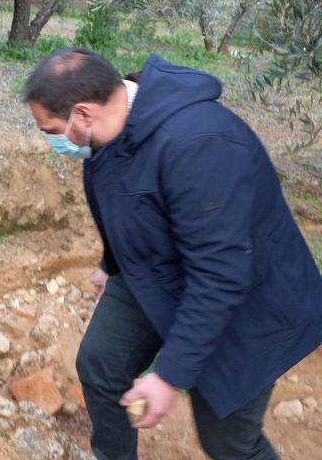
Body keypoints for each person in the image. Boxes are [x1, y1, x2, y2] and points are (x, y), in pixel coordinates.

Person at [22, 48, 322, 459]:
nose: (51, 139)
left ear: (84, 113)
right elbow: (123, 202)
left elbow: (221, 273)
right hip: (160, 272)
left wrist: (168, 377)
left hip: (247, 301)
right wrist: (111, 265)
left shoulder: (199, 143)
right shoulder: (108, 135)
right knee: (101, 362)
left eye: (51, 129)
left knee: (229, 442)